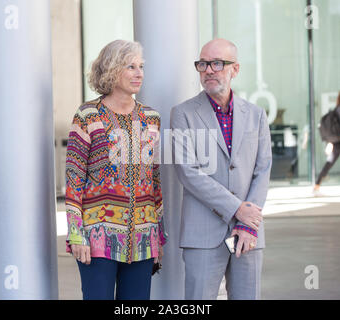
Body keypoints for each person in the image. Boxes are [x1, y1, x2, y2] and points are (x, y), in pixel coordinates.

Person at [170, 38, 272, 300]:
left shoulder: (256, 114)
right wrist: (237, 209)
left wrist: (249, 223)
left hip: (248, 232)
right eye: (203, 64)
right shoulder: (183, 113)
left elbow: (263, 170)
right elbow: (187, 171)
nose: (209, 70)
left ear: (234, 69)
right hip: (202, 234)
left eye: (217, 63)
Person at [65, 40, 166, 300]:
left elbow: (154, 181)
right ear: (111, 69)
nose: (139, 73)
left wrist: (159, 237)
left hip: (144, 238)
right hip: (98, 237)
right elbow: (74, 178)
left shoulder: (151, 117)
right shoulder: (88, 115)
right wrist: (76, 235)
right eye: (131, 66)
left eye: (141, 66)